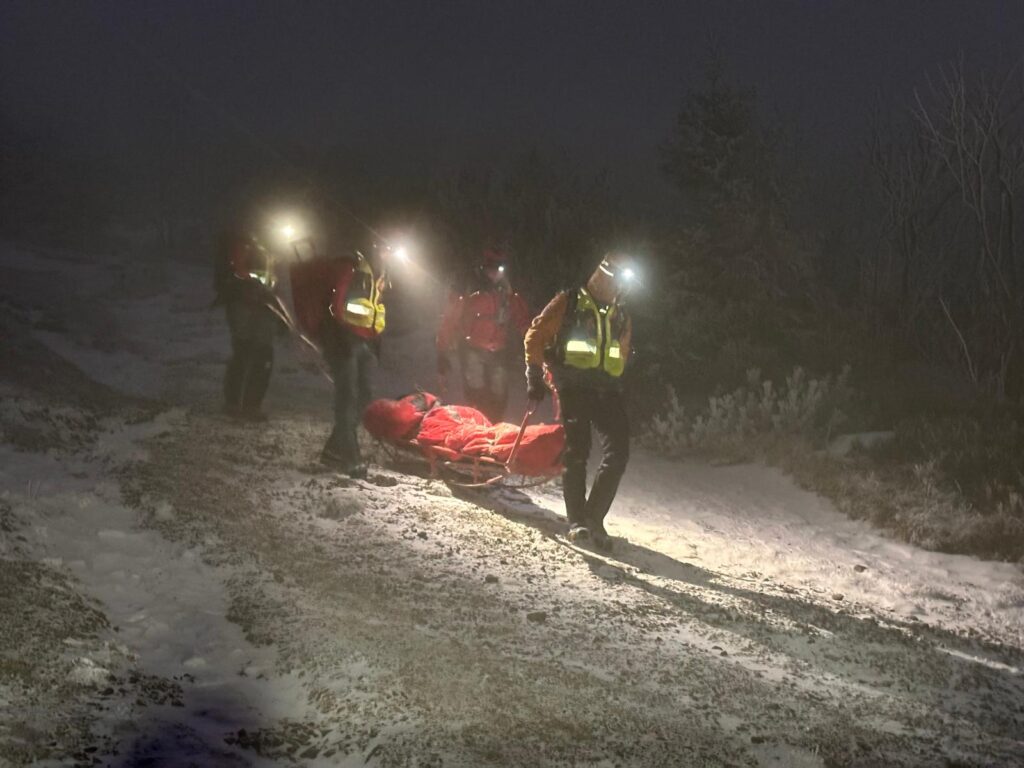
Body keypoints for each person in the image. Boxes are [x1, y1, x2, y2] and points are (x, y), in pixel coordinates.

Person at [523, 253, 637, 551]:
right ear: (604, 275)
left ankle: (594, 516)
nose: (621, 287)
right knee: (577, 450)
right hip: (572, 384)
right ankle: (577, 522)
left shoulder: (620, 313)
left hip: (605, 389)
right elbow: (535, 335)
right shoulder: (570, 301)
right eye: (618, 279)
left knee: (619, 450)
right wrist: (534, 375)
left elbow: (622, 351)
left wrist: (617, 380)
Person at [317, 245, 389, 478]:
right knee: (347, 397)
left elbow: (373, 309)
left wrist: (375, 339)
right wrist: (337, 336)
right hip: (344, 338)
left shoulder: (378, 274)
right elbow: (335, 302)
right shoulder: (353, 266)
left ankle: (332, 452)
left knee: (364, 398)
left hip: (364, 340)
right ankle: (349, 457)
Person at [436, 249, 531, 422]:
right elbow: (450, 319)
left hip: (498, 351)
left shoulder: (506, 290)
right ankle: (478, 430)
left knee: (499, 397)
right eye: (493, 269)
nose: (496, 274)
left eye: (500, 270)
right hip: (473, 349)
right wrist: (442, 350)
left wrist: (535, 342)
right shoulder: (470, 287)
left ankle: (493, 432)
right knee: (476, 395)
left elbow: (521, 317)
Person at [214, 231, 280, 421]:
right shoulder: (244, 244)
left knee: (261, 354)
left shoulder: (265, 250)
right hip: (244, 304)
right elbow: (239, 274)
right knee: (245, 352)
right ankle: (236, 403)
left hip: (262, 306)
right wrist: (251, 290)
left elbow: (270, 280)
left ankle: (250, 405)